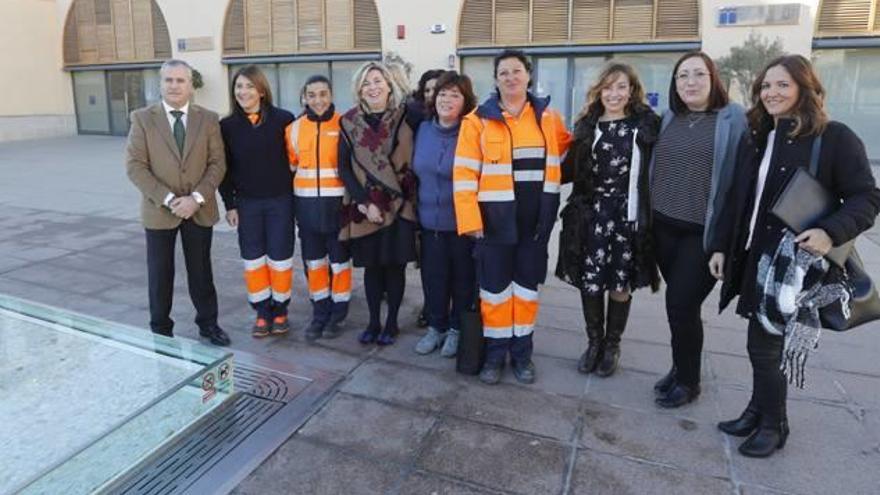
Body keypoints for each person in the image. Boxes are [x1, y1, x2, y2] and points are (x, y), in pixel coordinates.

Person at [710, 55, 880, 457]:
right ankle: (757, 411)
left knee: (766, 346)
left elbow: (867, 197)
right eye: (766, 86)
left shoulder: (834, 136)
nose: (771, 93)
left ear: (805, 88)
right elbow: (737, 199)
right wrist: (721, 246)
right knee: (760, 341)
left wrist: (830, 231)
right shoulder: (759, 135)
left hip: (795, 264)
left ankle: (775, 424)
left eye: (782, 85)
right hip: (757, 258)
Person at [454, 49, 571, 385]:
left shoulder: (549, 118)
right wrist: (470, 220)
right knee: (494, 292)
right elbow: (463, 174)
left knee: (526, 291)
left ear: (528, 75)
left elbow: (567, 153)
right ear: (495, 79)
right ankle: (494, 354)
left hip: (535, 224)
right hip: (493, 224)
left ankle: (522, 355)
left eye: (516, 71)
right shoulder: (476, 121)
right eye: (503, 72)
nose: (510, 77)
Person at [649, 52, 747, 408]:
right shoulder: (669, 117)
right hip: (662, 229)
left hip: (700, 234)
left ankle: (689, 382)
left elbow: (738, 185)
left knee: (680, 303)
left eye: (698, 75)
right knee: (682, 308)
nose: (690, 82)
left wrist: (723, 243)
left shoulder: (732, 119)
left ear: (713, 79)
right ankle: (680, 369)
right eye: (682, 76)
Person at [556, 63, 660, 379]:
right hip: (591, 216)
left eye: (621, 87)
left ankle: (612, 345)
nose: (614, 94)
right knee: (590, 282)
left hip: (627, 218)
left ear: (631, 91)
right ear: (599, 91)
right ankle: (593, 343)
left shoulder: (646, 127)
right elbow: (566, 170)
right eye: (608, 87)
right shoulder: (587, 127)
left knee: (619, 282)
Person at [125, 59, 229, 346]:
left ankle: (209, 325)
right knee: (160, 274)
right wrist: (170, 199)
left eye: (180, 80)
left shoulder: (208, 119)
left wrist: (196, 198)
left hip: (199, 209)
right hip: (160, 210)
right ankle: (160, 330)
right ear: (160, 84)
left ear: (190, 85)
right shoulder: (143, 119)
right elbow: (135, 166)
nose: (174, 86)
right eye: (168, 80)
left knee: (201, 272)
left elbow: (217, 164)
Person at [338, 62, 417, 346]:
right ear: (359, 89)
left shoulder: (406, 117)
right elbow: (343, 168)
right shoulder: (348, 122)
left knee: (394, 267)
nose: (372, 87)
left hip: (400, 203)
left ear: (388, 85)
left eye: (377, 81)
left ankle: (392, 323)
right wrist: (363, 202)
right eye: (366, 83)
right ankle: (373, 322)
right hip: (365, 207)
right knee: (372, 268)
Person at [218, 65, 295, 338]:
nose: (243, 92)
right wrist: (230, 205)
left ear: (261, 91)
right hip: (247, 204)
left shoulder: (284, 119)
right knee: (253, 260)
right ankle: (262, 311)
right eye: (239, 86)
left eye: (249, 86)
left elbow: (295, 162)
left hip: (280, 202)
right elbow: (223, 170)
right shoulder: (226, 126)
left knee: (280, 257)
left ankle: (281, 308)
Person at [412, 71, 478, 357]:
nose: (447, 99)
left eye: (455, 94)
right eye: (442, 93)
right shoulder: (423, 129)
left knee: (463, 281)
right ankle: (436, 327)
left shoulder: (472, 132)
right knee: (433, 279)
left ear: (465, 102)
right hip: (429, 224)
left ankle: (456, 329)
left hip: (463, 224)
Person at [287, 75, 352, 341]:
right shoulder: (293, 129)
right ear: (304, 97)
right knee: (314, 264)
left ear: (331, 94)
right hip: (306, 210)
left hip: (338, 209)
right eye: (312, 95)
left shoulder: (345, 125)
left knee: (339, 263)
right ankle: (319, 312)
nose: (318, 100)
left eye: (323, 93)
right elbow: (292, 166)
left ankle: (338, 313)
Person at [407, 68, 446, 329]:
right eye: (428, 90)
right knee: (428, 264)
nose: (432, 96)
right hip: (422, 204)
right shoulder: (417, 123)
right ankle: (431, 307)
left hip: (454, 210)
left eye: (438, 90)